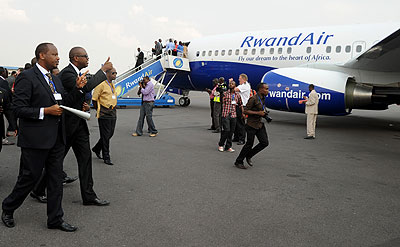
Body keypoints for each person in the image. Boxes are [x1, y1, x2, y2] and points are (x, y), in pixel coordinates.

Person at [1, 43, 86, 231]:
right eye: (54, 54)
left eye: (58, 54)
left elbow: (63, 104)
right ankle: (8, 207)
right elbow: (18, 109)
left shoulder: (55, 79)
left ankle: (55, 219)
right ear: (41, 55)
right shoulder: (27, 77)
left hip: (56, 138)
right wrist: (45, 111)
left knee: (55, 180)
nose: (58, 57)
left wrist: (78, 90)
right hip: (36, 139)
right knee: (29, 178)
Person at [234, 83, 270, 169]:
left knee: (264, 143)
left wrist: (264, 115)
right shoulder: (253, 99)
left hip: (259, 124)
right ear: (260, 89)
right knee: (249, 144)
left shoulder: (263, 98)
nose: (267, 91)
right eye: (266, 89)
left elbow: (260, 109)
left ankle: (249, 155)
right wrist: (258, 113)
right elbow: (245, 111)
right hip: (251, 124)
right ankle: (238, 161)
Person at [91, 68, 118, 165]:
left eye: (116, 73)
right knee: (106, 136)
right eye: (113, 73)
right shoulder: (101, 85)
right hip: (104, 113)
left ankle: (96, 148)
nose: (115, 75)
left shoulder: (112, 85)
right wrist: (98, 109)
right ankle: (106, 156)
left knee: (110, 134)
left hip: (113, 111)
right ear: (107, 74)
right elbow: (94, 99)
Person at [218, 79, 243, 152]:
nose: (231, 84)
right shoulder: (225, 94)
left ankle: (228, 146)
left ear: (235, 86)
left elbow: (240, 104)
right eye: (230, 84)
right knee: (226, 130)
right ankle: (221, 144)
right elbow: (221, 101)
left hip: (233, 115)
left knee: (231, 131)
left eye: (232, 84)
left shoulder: (237, 95)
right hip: (226, 114)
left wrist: (242, 113)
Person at [233, 73, 251, 145]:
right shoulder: (242, 85)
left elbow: (235, 90)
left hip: (242, 106)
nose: (238, 80)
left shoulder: (245, 86)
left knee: (241, 123)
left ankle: (242, 139)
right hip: (238, 105)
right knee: (236, 122)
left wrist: (231, 83)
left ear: (244, 79)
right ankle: (236, 137)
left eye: (240, 79)